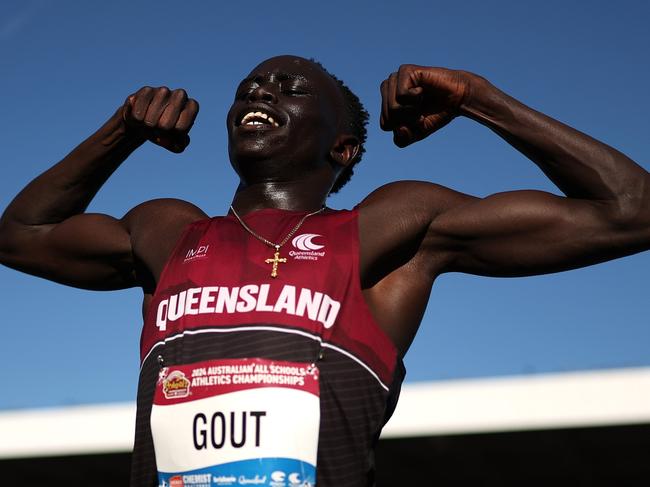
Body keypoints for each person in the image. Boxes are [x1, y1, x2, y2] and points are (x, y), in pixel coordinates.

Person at [1, 54, 648, 487]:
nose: (259, 91)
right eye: (251, 87)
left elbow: (631, 212)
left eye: (290, 89)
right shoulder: (166, 231)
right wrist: (119, 132)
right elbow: (18, 236)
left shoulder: (391, 228)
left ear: (342, 147)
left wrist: (480, 98)